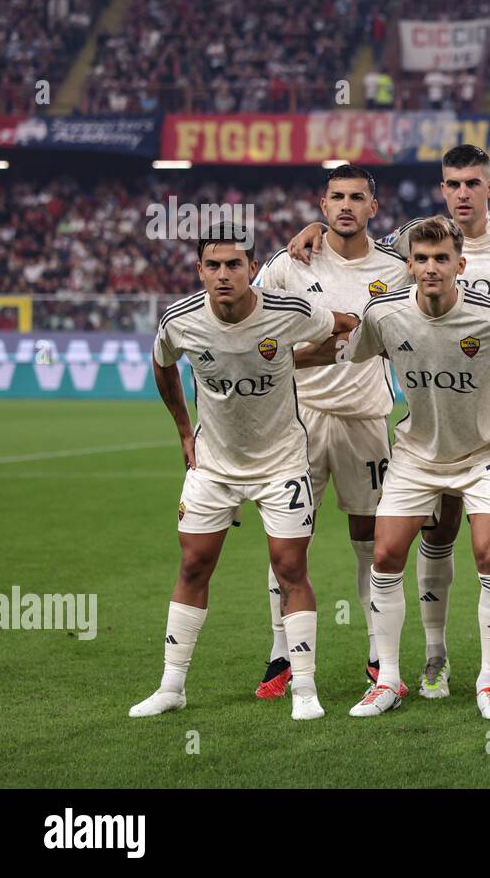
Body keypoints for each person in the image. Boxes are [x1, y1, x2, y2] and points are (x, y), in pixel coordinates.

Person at [321, 217, 490, 721]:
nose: (431, 268)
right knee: (385, 554)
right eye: (422, 259)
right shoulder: (385, 315)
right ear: (409, 265)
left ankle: (489, 683)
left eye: (441, 259)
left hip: (484, 453)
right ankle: (388, 680)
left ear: (460, 264)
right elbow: (349, 346)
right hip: (416, 455)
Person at [130, 234, 356, 721]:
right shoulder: (180, 319)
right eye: (214, 265)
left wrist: (305, 358)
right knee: (193, 567)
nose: (224, 274)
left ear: (253, 267)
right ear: (200, 270)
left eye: (234, 264)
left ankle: (305, 690)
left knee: (290, 569)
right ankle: (172, 687)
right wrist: (183, 429)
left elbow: (344, 324)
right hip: (214, 465)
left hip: (282, 464)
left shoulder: (289, 311)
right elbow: (163, 362)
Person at [252, 164, 407, 699]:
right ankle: (281, 655)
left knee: (374, 544)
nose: (346, 205)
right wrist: (301, 356)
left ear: (373, 208)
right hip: (300, 423)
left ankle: (375, 653)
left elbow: (445, 240)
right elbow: (251, 329)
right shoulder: (287, 264)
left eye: (357, 197)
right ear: (322, 206)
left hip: (366, 420)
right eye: (336, 197)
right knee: (288, 546)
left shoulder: (398, 268)